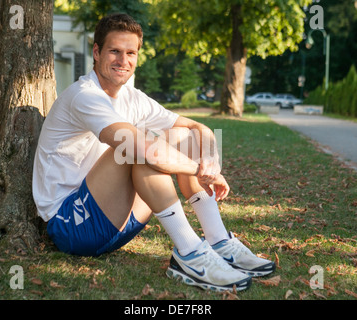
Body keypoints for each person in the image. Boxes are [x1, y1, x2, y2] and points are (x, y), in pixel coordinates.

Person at [32, 13, 274, 292]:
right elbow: (145, 150)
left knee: (181, 136)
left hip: (116, 221)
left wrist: (211, 164)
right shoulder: (84, 95)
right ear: (96, 53)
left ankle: (218, 241)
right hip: (71, 225)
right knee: (137, 148)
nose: (123, 61)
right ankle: (190, 253)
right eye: (114, 51)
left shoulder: (132, 98)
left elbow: (198, 128)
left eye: (131, 53)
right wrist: (199, 170)